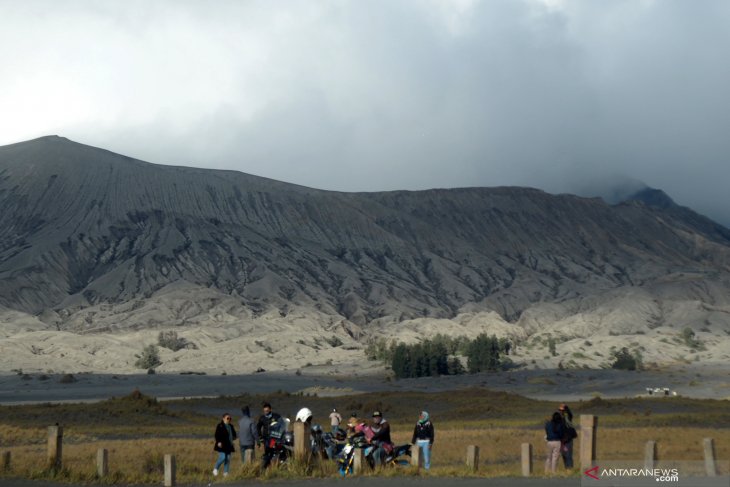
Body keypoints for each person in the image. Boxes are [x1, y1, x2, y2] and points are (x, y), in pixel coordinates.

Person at [257, 402, 283, 469]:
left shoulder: (276, 416)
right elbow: (258, 427)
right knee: (268, 452)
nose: (266, 412)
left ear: (270, 409)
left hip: (274, 438)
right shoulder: (262, 418)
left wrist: (279, 434)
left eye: (267, 411)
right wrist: (260, 437)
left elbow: (282, 424)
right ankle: (266, 467)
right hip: (266, 439)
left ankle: (272, 466)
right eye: (264, 411)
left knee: (272, 451)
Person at [213, 413, 237, 477]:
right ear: (223, 418)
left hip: (229, 445)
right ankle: (215, 468)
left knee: (228, 459)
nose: (229, 419)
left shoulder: (231, 426)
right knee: (223, 457)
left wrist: (233, 438)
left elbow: (234, 434)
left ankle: (225, 473)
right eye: (227, 418)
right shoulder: (220, 425)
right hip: (222, 445)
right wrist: (218, 442)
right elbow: (216, 435)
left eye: (230, 418)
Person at [559, 403, 576, 469]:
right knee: (564, 454)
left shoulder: (568, 417)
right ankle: (567, 468)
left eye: (562, 410)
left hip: (568, 439)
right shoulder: (560, 419)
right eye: (560, 410)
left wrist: (565, 407)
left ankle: (570, 469)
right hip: (562, 440)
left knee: (568, 454)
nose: (561, 411)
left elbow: (570, 414)